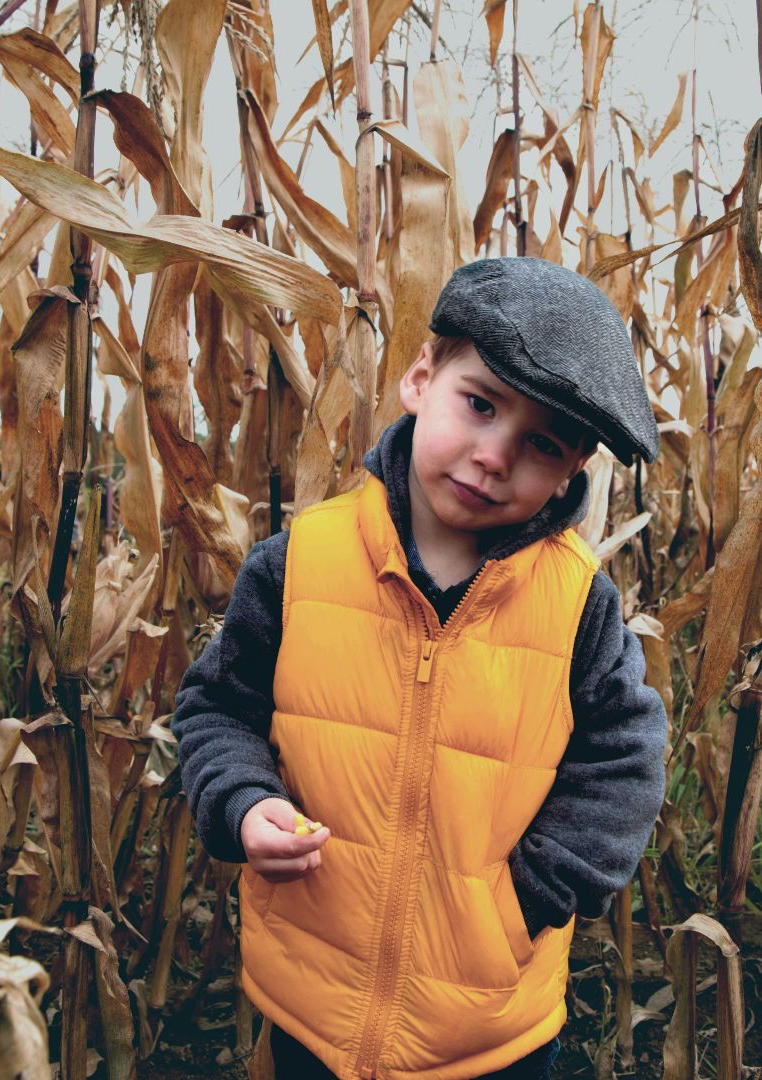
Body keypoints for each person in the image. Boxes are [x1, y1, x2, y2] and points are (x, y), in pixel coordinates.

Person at [173, 257, 669, 1079]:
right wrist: (245, 803)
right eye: (479, 405)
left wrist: (526, 900)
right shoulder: (300, 562)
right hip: (312, 998)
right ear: (419, 379)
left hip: (490, 1027)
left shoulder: (578, 606)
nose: (493, 455)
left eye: (540, 444)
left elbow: (624, 762)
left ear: (571, 471)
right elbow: (217, 709)